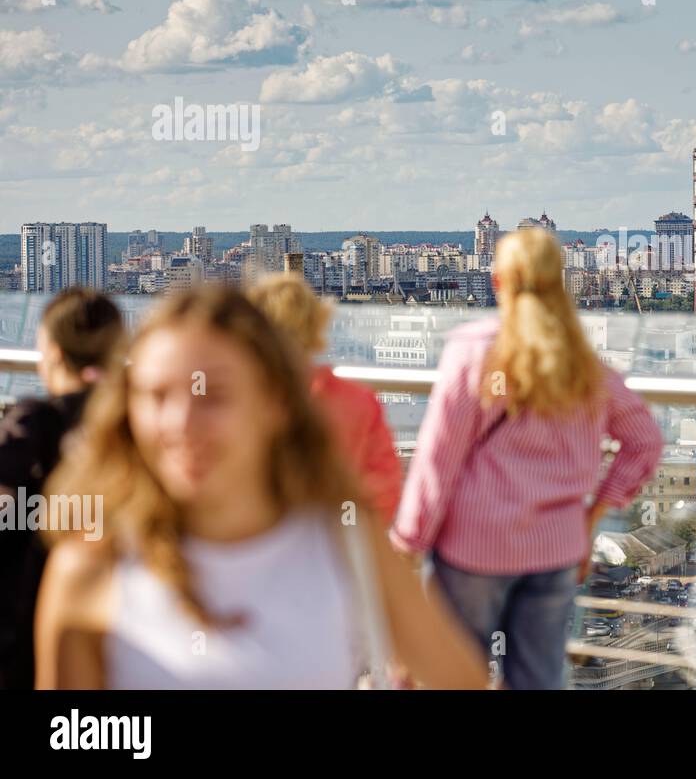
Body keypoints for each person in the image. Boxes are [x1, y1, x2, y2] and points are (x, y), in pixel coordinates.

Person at [35, 287, 486, 689]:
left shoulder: (346, 542)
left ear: (276, 404)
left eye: (212, 396)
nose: (180, 424)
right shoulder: (90, 565)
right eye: (156, 396)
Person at [391, 228, 662, 690]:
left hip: (473, 548)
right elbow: (645, 442)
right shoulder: (584, 365)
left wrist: (407, 543)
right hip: (556, 548)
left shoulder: (474, 352)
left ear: (498, 282)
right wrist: (592, 515)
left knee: (452, 676)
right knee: (539, 679)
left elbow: (437, 463)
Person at [0, 288, 124, 690]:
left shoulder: (33, 426)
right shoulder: (140, 431)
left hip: (24, 635)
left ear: (51, 352)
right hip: (120, 643)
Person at [247, 273, 403, 524]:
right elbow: (384, 487)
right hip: (338, 542)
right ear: (317, 322)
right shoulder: (357, 401)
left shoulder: (242, 404)